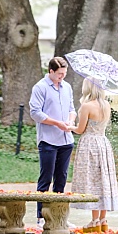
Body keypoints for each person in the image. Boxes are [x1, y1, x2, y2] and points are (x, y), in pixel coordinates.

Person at [67, 76, 118, 233]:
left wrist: (70, 127)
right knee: (103, 179)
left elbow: (81, 129)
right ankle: (103, 220)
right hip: (103, 144)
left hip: (89, 144)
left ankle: (94, 221)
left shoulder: (86, 106)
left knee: (93, 179)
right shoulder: (106, 105)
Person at [28, 56, 76, 224]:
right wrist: (56, 123)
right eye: (59, 74)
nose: (62, 76)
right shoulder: (40, 87)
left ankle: (59, 216)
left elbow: (72, 108)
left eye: (64, 73)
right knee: (46, 178)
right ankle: (41, 217)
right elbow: (35, 113)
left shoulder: (67, 87)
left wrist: (70, 121)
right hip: (48, 140)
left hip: (66, 139)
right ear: (51, 71)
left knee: (61, 179)